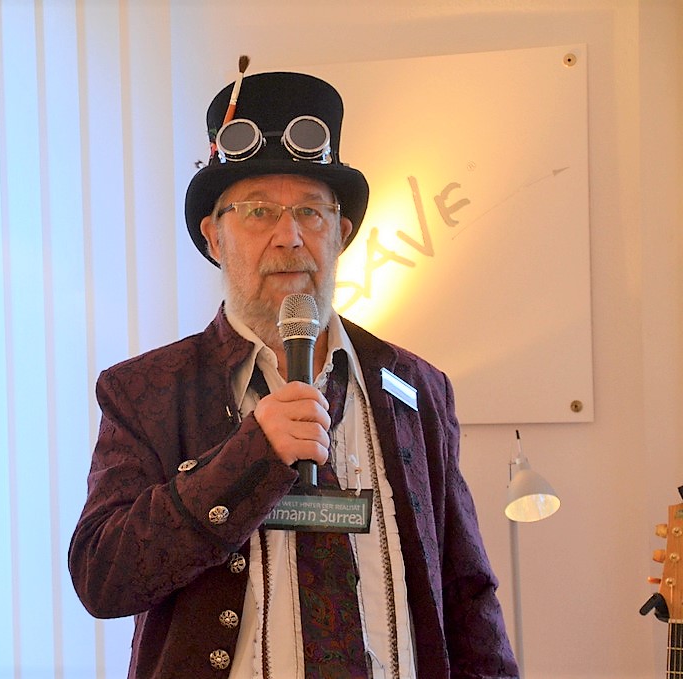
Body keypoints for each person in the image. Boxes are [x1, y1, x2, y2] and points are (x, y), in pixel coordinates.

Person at [68, 69, 518, 679]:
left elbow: (468, 595)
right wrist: (248, 457)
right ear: (214, 237)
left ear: (342, 234)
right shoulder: (146, 392)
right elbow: (103, 577)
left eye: (311, 211)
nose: (289, 236)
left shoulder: (416, 387)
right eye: (258, 212)